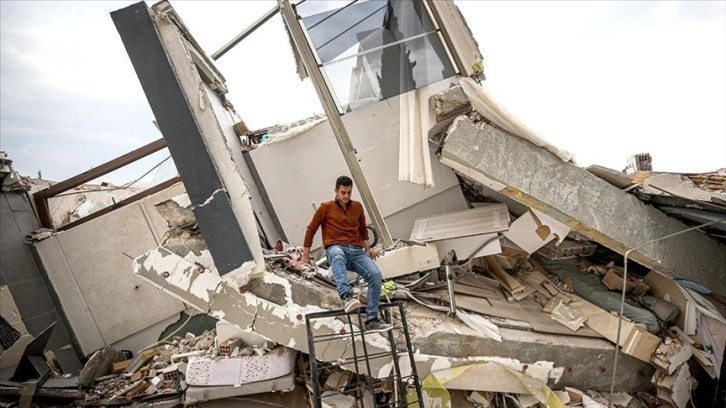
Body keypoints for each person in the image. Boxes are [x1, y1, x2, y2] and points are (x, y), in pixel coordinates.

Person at [300, 175, 392, 333]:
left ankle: (371, 319)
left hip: (356, 251)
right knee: (336, 254)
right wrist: (306, 255)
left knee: (375, 274)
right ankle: (346, 297)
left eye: (349, 192)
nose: (346, 196)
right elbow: (311, 229)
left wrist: (368, 249)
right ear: (336, 191)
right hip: (336, 247)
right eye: (343, 192)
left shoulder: (357, 207)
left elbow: (363, 229)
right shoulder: (325, 207)